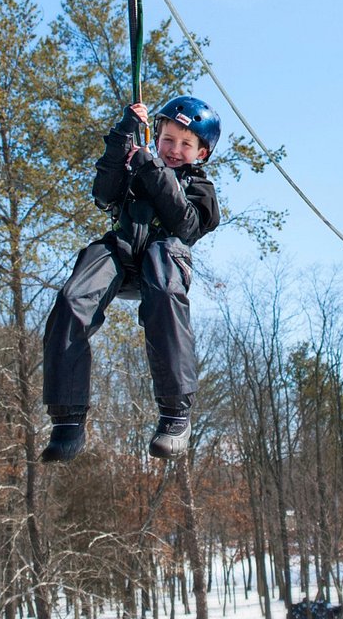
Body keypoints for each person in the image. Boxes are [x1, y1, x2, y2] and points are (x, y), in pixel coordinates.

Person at [40, 96, 221, 463]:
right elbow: (104, 194)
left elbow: (184, 223)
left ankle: (174, 410)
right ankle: (68, 416)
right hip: (122, 254)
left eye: (186, 145)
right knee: (73, 298)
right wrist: (122, 137)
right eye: (168, 139)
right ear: (156, 136)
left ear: (201, 153)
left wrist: (152, 168)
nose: (174, 150)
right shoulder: (138, 165)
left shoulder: (201, 189)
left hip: (164, 259)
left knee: (163, 277)